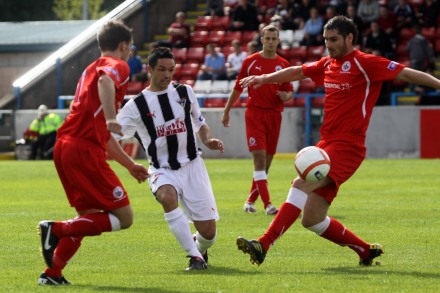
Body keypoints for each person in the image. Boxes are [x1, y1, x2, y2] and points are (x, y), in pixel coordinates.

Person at [235, 15, 440, 267]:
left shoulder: (365, 63)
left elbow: (407, 74)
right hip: (327, 143)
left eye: (333, 40)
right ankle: (366, 251)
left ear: (349, 38)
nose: (328, 45)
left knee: (300, 184)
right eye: (325, 40)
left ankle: (263, 244)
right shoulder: (328, 63)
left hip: (348, 147)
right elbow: (299, 71)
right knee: (312, 218)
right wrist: (264, 78)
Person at [37, 20, 149, 286]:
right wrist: (112, 116)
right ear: (123, 46)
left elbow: (104, 135)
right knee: (125, 217)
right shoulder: (116, 67)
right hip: (83, 149)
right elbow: (106, 81)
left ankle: (52, 274)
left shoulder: (89, 68)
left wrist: (130, 165)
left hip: (67, 146)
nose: (130, 54)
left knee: (87, 217)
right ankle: (56, 229)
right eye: (130, 48)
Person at [116, 47, 224, 270]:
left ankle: (199, 246)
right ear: (150, 70)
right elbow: (112, 134)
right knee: (166, 196)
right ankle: (195, 257)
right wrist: (126, 162)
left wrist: (207, 139)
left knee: (209, 233)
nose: (167, 75)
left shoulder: (185, 92)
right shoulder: (135, 106)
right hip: (162, 169)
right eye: (162, 70)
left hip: (193, 166)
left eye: (171, 70)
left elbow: (199, 122)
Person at [221, 24, 293, 215]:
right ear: (261, 40)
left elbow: (289, 89)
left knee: (266, 163)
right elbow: (238, 88)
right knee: (259, 159)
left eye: (273, 38)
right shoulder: (250, 62)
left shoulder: (284, 64)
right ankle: (268, 204)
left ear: (278, 41)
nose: (270, 41)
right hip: (255, 114)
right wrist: (227, 111)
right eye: (267, 38)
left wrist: (287, 96)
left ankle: (250, 200)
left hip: (275, 116)